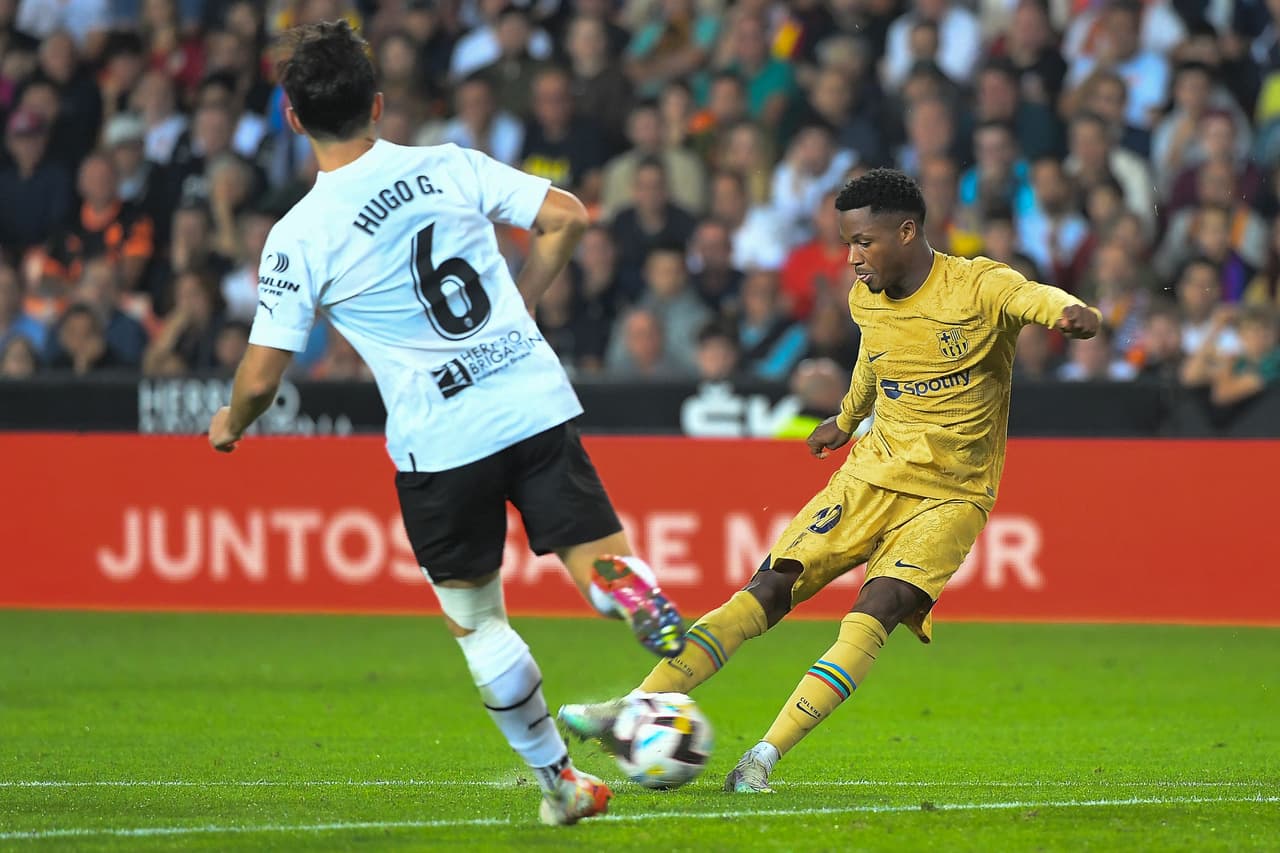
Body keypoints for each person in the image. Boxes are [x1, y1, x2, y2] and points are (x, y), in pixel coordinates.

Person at [204, 21, 686, 827]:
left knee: (477, 621)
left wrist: (231, 420)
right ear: (380, 105)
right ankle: (628, 588)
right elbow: (566, 216)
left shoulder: (298, 236)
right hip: (530, 398)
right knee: (597, 556)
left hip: (441, 441)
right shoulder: (448, 162)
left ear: (291, 118)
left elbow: (262, 372)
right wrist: (521, 303)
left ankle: (562, 784)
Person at [559, 168, 1102, 792]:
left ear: (907, 230)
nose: (852, 258)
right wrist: (844, 420)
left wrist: (1068, 312)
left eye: (864, 242)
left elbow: (1032, 297)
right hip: (869, 474)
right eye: (848, 242)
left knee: (878, 607)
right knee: (766, 590)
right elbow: (874, 359)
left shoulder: (977, 284)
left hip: (951, 494)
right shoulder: (865, 298)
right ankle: (628, 710)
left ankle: (760, 759)